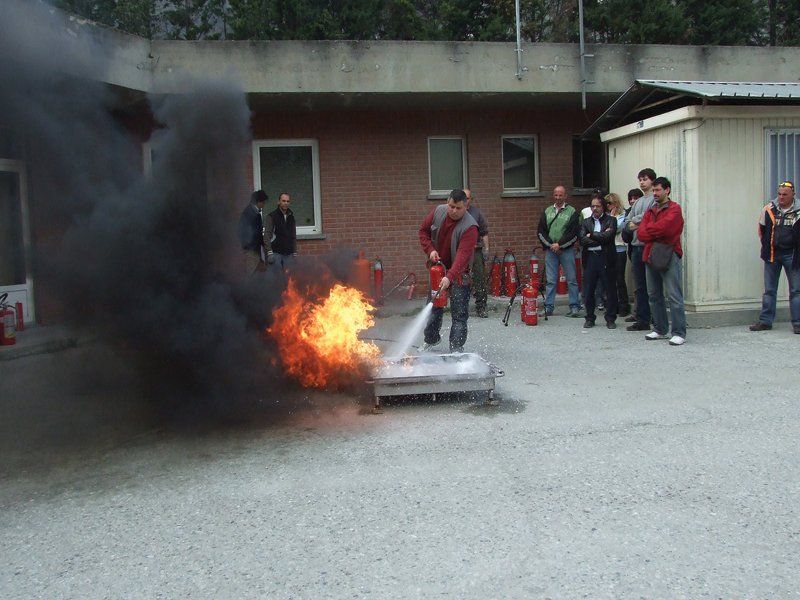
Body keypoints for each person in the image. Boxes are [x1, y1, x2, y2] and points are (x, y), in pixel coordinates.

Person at [419, 189, 479, 353]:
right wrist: (430, 250)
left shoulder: (470, 227)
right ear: (448, 202)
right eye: (451, 206)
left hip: (460, 273)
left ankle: (456, 348)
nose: (453, 210)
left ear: (466, 206)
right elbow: (423, 231)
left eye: (458, 208)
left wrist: (450, 277)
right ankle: (431, 339)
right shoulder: (438, 211)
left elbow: (463, 255)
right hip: (438, 270)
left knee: (459, 313)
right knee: (433, 307)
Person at [637, 176, 686, 346]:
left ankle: (679, 332)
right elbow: (641, 234)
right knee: (654, 294)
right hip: (650, 254)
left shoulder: (675, 209)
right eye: (654, 190)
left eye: (658, 190)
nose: (655, 193)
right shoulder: (650, 211)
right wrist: (654, 231)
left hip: (669, 254)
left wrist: (650, 231)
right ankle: (659, 329)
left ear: (667, 190)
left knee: (673, 294)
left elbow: (669, 229)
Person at [749, 180, 800, 334]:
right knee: (769, 290)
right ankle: (765, 321)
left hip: (793, 255)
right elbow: (761, 230)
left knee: (796, 290)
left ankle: (797, 323)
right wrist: (767, 246)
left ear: (793, 195)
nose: (781, 197)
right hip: (772, 254)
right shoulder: (769, 209)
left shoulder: (799, 211)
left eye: (785, 194)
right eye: (779, 194)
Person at [537, 185, 581, 317]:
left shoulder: (572, 212)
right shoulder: (547, 211)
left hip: (566, 251)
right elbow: (541, 231)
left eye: (560, 195)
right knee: (550, 280)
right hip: (551, 251)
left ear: (565, 196)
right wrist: (551, 245)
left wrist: (560, 245)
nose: (558, 197)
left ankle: (574, 306)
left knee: (571, 279)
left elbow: (573, 233)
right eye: (556, 195)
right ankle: (549, 307)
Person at [623, 168, 657, 332]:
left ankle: (654, 318)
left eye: (645, 179)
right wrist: (635, 223)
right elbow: (627, 221)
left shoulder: (654, 199)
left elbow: (648, 217)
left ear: (652, 180)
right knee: (640, 285)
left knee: (652, 284)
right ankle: (642, 319)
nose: (642, 182)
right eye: (640, 179)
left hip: (648, 247)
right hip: (635, 247)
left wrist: (635, 223)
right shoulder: (638, 201)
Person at [579, 195, 618, 329]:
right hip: (590, 257)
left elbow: (608, 237)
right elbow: (582, 240)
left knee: (610, 288)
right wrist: (599, 237)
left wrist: (592, 235)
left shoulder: (611, 220)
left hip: (605, 257)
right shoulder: (585, 222)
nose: (595, 209)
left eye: (598, 206)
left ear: (603, 207)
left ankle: (610, 318)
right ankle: (589, 318)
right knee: (589, 289)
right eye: (593, 206)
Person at [465, 188, 490, 318]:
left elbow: (484, 232)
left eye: (467, 198)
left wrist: (486, 249)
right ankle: (461, 306)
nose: (465, 200)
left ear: (471, 199)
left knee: (479, 279)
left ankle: (481, 307)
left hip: (476, 251)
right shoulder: (456, 212)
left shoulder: (476, 213)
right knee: (461, 279)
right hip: (461, 253)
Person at [605, 192, 631, 317]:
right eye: (606, 203)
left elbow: (617, 228)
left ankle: (624, 305)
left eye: (610, 203)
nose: (608, 206)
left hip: (620, 249)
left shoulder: (623, 215)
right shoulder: (606, 216)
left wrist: (612, 219)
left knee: (620, 279)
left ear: (615, 203)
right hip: (609, 249)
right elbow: (604, 231)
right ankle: (612, 305)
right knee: (610, 279)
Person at [622, 188, 644, 321]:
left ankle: (646, 314)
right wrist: (632, 225)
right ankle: (637, 312)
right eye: (630, 198)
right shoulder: (629, 212)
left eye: (635, 198)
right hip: (632, 248)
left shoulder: (648, 208)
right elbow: (625, 231)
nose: (632, 201)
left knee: (646, 285)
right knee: (637, 284)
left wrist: (633, 224)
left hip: (645, 248)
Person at [263, 192, 298, 269]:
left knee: (289, 279)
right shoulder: (272, 216)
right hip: (276, 253)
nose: (286, 203)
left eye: (288, 201)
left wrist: (295, 252)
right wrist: (269, 253)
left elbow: (293, 236)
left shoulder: (291, 217)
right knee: (277, 279)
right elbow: (267, 235)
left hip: (289, 254)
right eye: (283, 201)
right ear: (278, 202)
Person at [237, 190, 268, 276]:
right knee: (251, 274)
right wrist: (250, 246)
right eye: (263, 202)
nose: (264, 205)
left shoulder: (251, 211)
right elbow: (252, 232)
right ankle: (249, 289)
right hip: (252, 250)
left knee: (259, 273)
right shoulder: (252, 213)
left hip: (254, 249)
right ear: (259, 202)